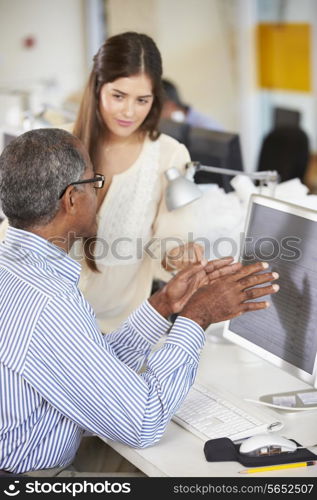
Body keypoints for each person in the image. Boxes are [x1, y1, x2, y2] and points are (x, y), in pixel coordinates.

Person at [0, 128, 279, 475]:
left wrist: (162, 306)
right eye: (94, 183)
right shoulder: (49, 301)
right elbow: (143, 422)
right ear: (71, 199)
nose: (97, 194)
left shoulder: (15, 269)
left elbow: (86, 366)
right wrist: (197, 318)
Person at [69, 31, 207, 333]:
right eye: (118, 96)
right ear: (97, 88)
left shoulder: (170, 155)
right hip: (48, 323)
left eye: (142, 100)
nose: (129, 112)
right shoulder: (58, 143)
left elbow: (171, 243)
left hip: (120, 332)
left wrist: (180, 256)